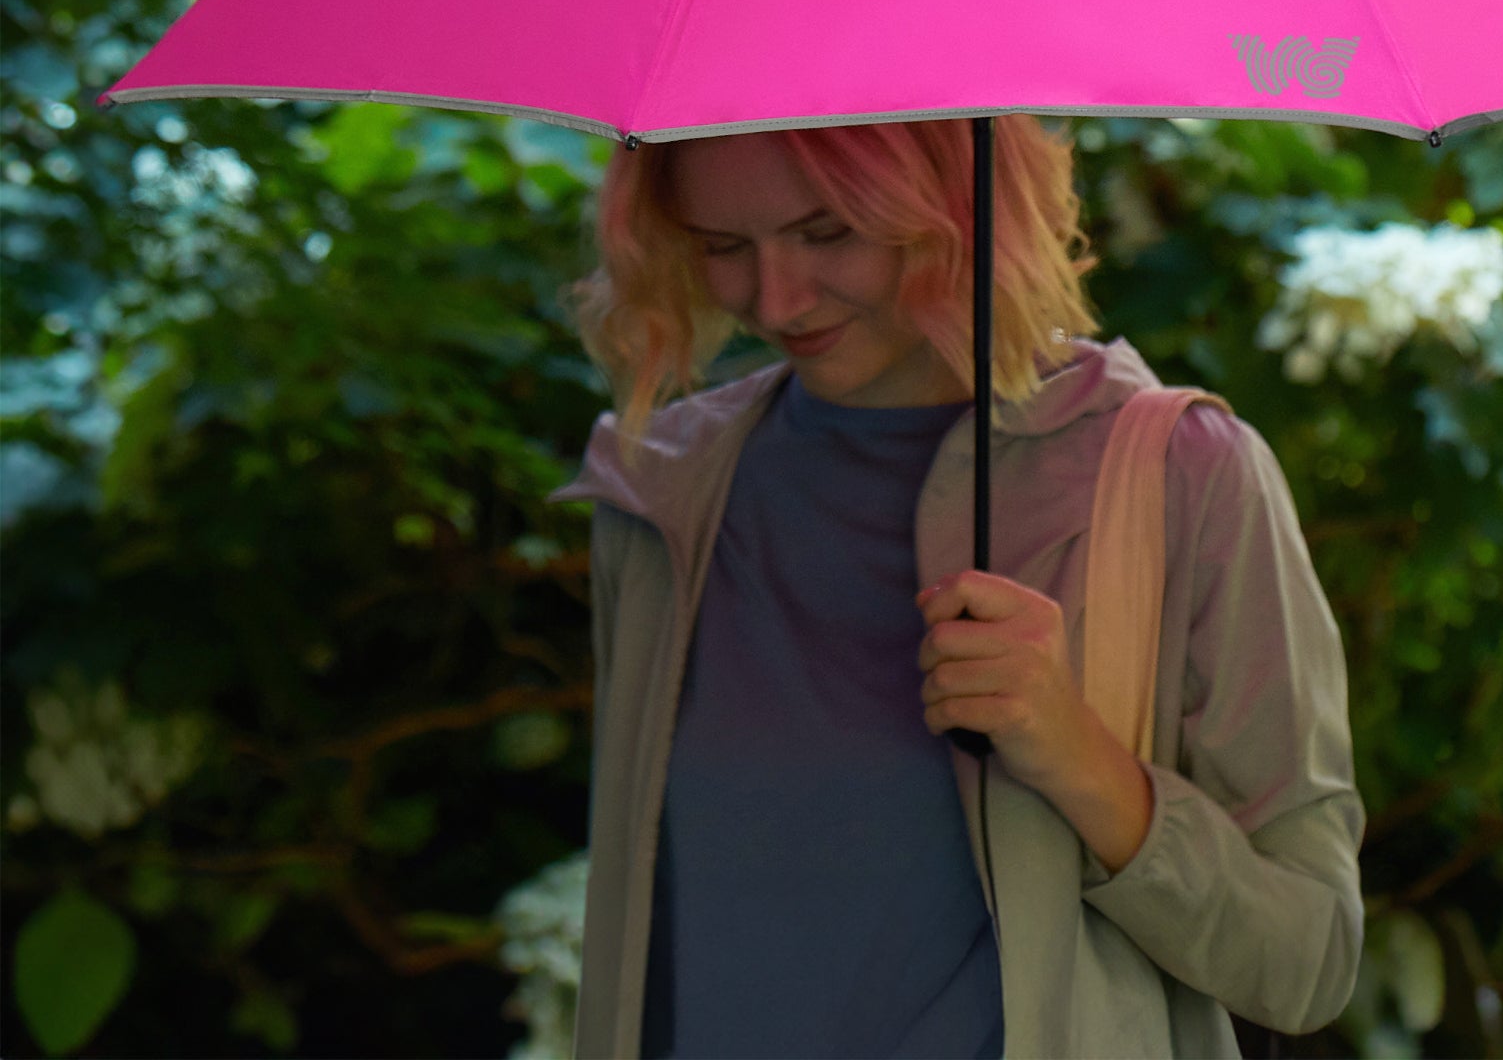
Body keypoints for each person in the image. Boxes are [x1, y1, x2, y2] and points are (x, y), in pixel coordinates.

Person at [552, 114, 1364, 1060]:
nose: (776, 298)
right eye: (722, 247)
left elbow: (1308, 961)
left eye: (829, 231)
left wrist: (1081, 760)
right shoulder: (662, 497)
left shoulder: (1182, 475)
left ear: (957, 203)